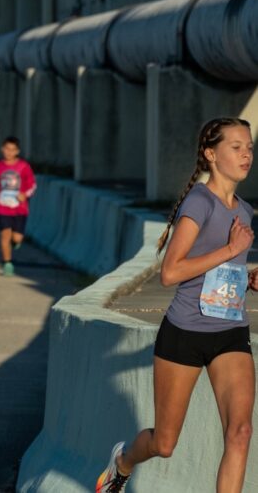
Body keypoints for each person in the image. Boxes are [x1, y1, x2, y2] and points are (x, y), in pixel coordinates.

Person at [96, 118, 256, 493]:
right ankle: (122, 462)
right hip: (185, 332)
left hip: (231, 330)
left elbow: (220, 269)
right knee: (165, 443)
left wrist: (245, 275)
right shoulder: (199, 202)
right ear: (211, 154)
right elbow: (170, 272)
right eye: (236, 147)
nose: (246, 153)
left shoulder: (245, 210)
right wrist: (230, 250)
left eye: (249, 146)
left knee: (241, 431)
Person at [0, 137, 36, 277]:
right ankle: (7, 262)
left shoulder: (23, 166)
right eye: (7, 149)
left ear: (17, 151)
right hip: (3, 207)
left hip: (20, 208)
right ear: (2, 149)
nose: (9, 152)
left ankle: (15, 242)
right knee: (4, 235)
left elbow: (32, 184)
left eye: (12, 149)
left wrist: (25, 194)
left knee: (17, 238)